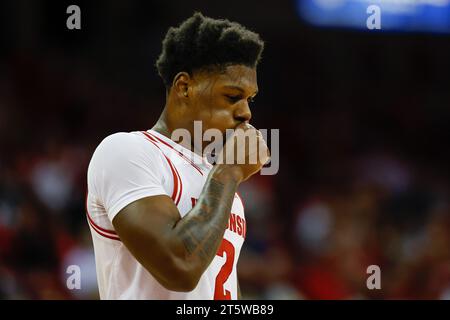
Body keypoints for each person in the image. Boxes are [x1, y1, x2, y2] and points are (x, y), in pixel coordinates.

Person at [86, 12, 269, 299]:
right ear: (185, 87)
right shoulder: (127, 151)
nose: (246, 112)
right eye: (232, 97)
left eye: (250, 99)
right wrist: (230, 171)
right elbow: (179, 267)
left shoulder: (221, 184)